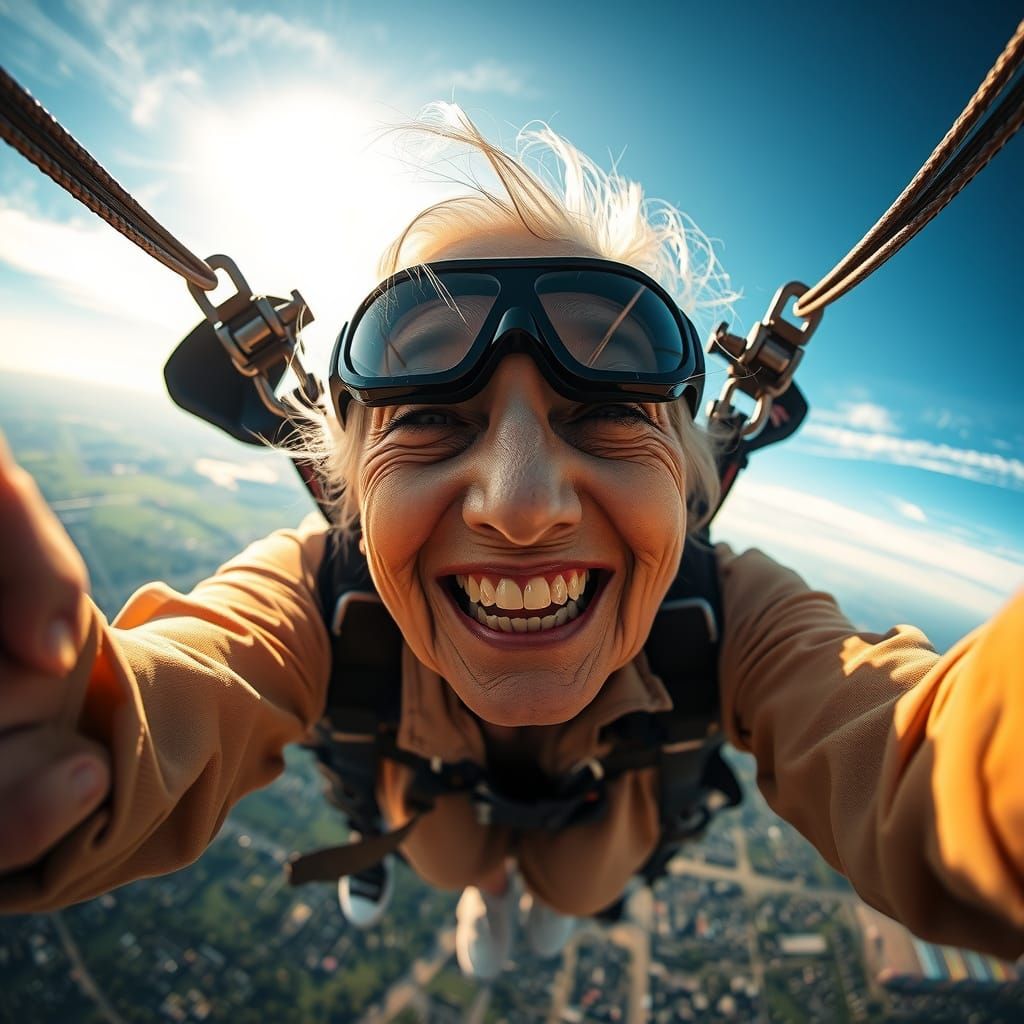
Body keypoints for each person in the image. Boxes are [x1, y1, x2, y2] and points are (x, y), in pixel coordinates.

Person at [0, 103, 1021, 981]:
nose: (521, 504)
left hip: (592, 824)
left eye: (607, 410)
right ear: (350, 489)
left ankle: (541, 900)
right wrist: (62, 710)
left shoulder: (736, 612)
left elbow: (917, 763)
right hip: (441, 814)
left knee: (577, 882)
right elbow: (181, 690)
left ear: (689, 481)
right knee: (457, 858)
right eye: (429, 418)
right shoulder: (314, 590)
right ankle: (490, 894)